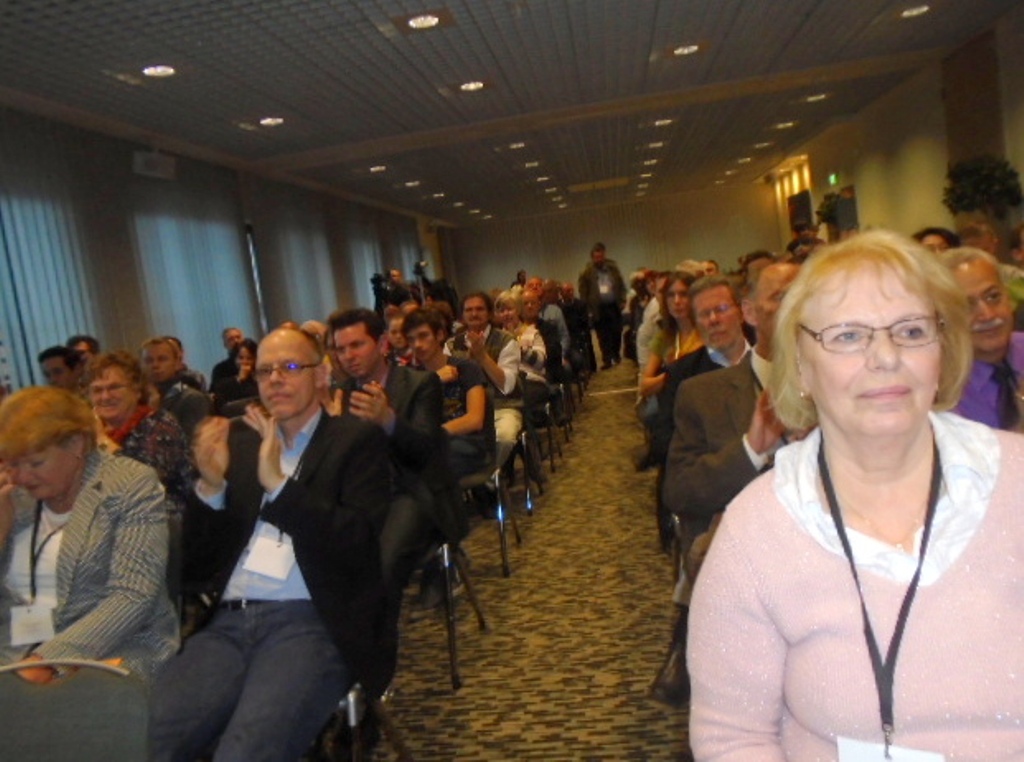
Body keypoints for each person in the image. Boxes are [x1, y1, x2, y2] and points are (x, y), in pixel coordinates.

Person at [689, 230, 1024, 759]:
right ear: (801, 366)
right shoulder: (756, 532)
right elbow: (733, 739)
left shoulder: (1016, 486)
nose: (885, 357)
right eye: (848, 336)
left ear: (942, 350)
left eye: (911, 330)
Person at [150, 328, 390, 761]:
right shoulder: (239, 441)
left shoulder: (355, 441)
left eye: (290, 367)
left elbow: (356, 545)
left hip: (311, 622)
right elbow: (197, 568)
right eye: (265, 371)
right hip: (228, 624)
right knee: (145, 738)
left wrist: (279, 487)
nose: (275, 379)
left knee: (243, 752)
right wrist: (211, 487)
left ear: (322, 375)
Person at [648, 262, 798, 707]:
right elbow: (679, 488)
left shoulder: (851, 380)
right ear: (752, 311)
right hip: (744, 543)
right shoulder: (699, 389)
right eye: (782, 296)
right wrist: (752, 449)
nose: (799, 305)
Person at [0, 386, 178, 684]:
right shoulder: (12, 496)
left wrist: (47, 661)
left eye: (35, 463)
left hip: (110, 652)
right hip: (13, 654)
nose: (22, 477)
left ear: (77, 444)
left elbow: (132, 595)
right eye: (13, 464)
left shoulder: (128, 485)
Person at [85, 351, 194, 518]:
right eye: (97, 390)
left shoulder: (159, 424)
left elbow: (142, 484)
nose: (105, 396)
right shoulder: (90, 433)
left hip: (158, 518)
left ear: (136, 390)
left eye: (114, 387)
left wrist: (102, 440)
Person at [405, 308, 493, 480]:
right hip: (429, 446)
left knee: (428, 465)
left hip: (466, 443)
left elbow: (474, 419)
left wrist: (433, 435)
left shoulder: (466, 368)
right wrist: (435, 380)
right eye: (411, 339)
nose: (417, 345)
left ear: (439, 335)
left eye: (423, 336)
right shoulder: (410, 377)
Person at [942, 247, 1024, 430]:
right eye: (966, 306)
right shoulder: (941, 389)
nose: (988, 315)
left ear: (1008, 296)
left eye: (993, 297)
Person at [448, 292, 521, 466]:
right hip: (465, 410)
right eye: (469, 310)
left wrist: (482, 357)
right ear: (462, 316)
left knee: (504, 437)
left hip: (502, 406)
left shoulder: (506, 341)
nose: (474, 314)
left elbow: (507, 386)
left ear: (489, 314)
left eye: (479, 309)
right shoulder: (451, 344)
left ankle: (489, 474)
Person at [639, 272, 702, 401]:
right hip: (675, 403)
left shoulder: (707, 332)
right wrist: (673, 375)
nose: (677, 301)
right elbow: (644, 387)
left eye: (683, 294)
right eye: (671, 295)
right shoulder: (664, 337)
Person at [141, 336, 212, 441]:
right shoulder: (139, 399)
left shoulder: (193, 399)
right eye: (149, 360)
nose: (155, 365)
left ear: (177, 363)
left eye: (162, 359)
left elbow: (190, 445)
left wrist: (155, 412)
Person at [578, 242, 626, 369]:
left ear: (604, 255)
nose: (599, 259)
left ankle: (616, 354)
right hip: (598, 309)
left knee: (616, 331)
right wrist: (587, 309)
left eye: (601, 256)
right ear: (592, 258)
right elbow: (583, 292)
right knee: (603, 335)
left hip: (613, 305)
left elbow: (621, 285)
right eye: (596, 257)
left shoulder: (612, 269)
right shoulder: (587, 272)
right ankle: (607, 359)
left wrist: (622, 299)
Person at [211, 338, 258, 414]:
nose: (244, 362)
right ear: (235, 359)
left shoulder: (259, 375)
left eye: (249, 358)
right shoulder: (222, 370)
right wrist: (239, 379)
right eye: (240, 358)